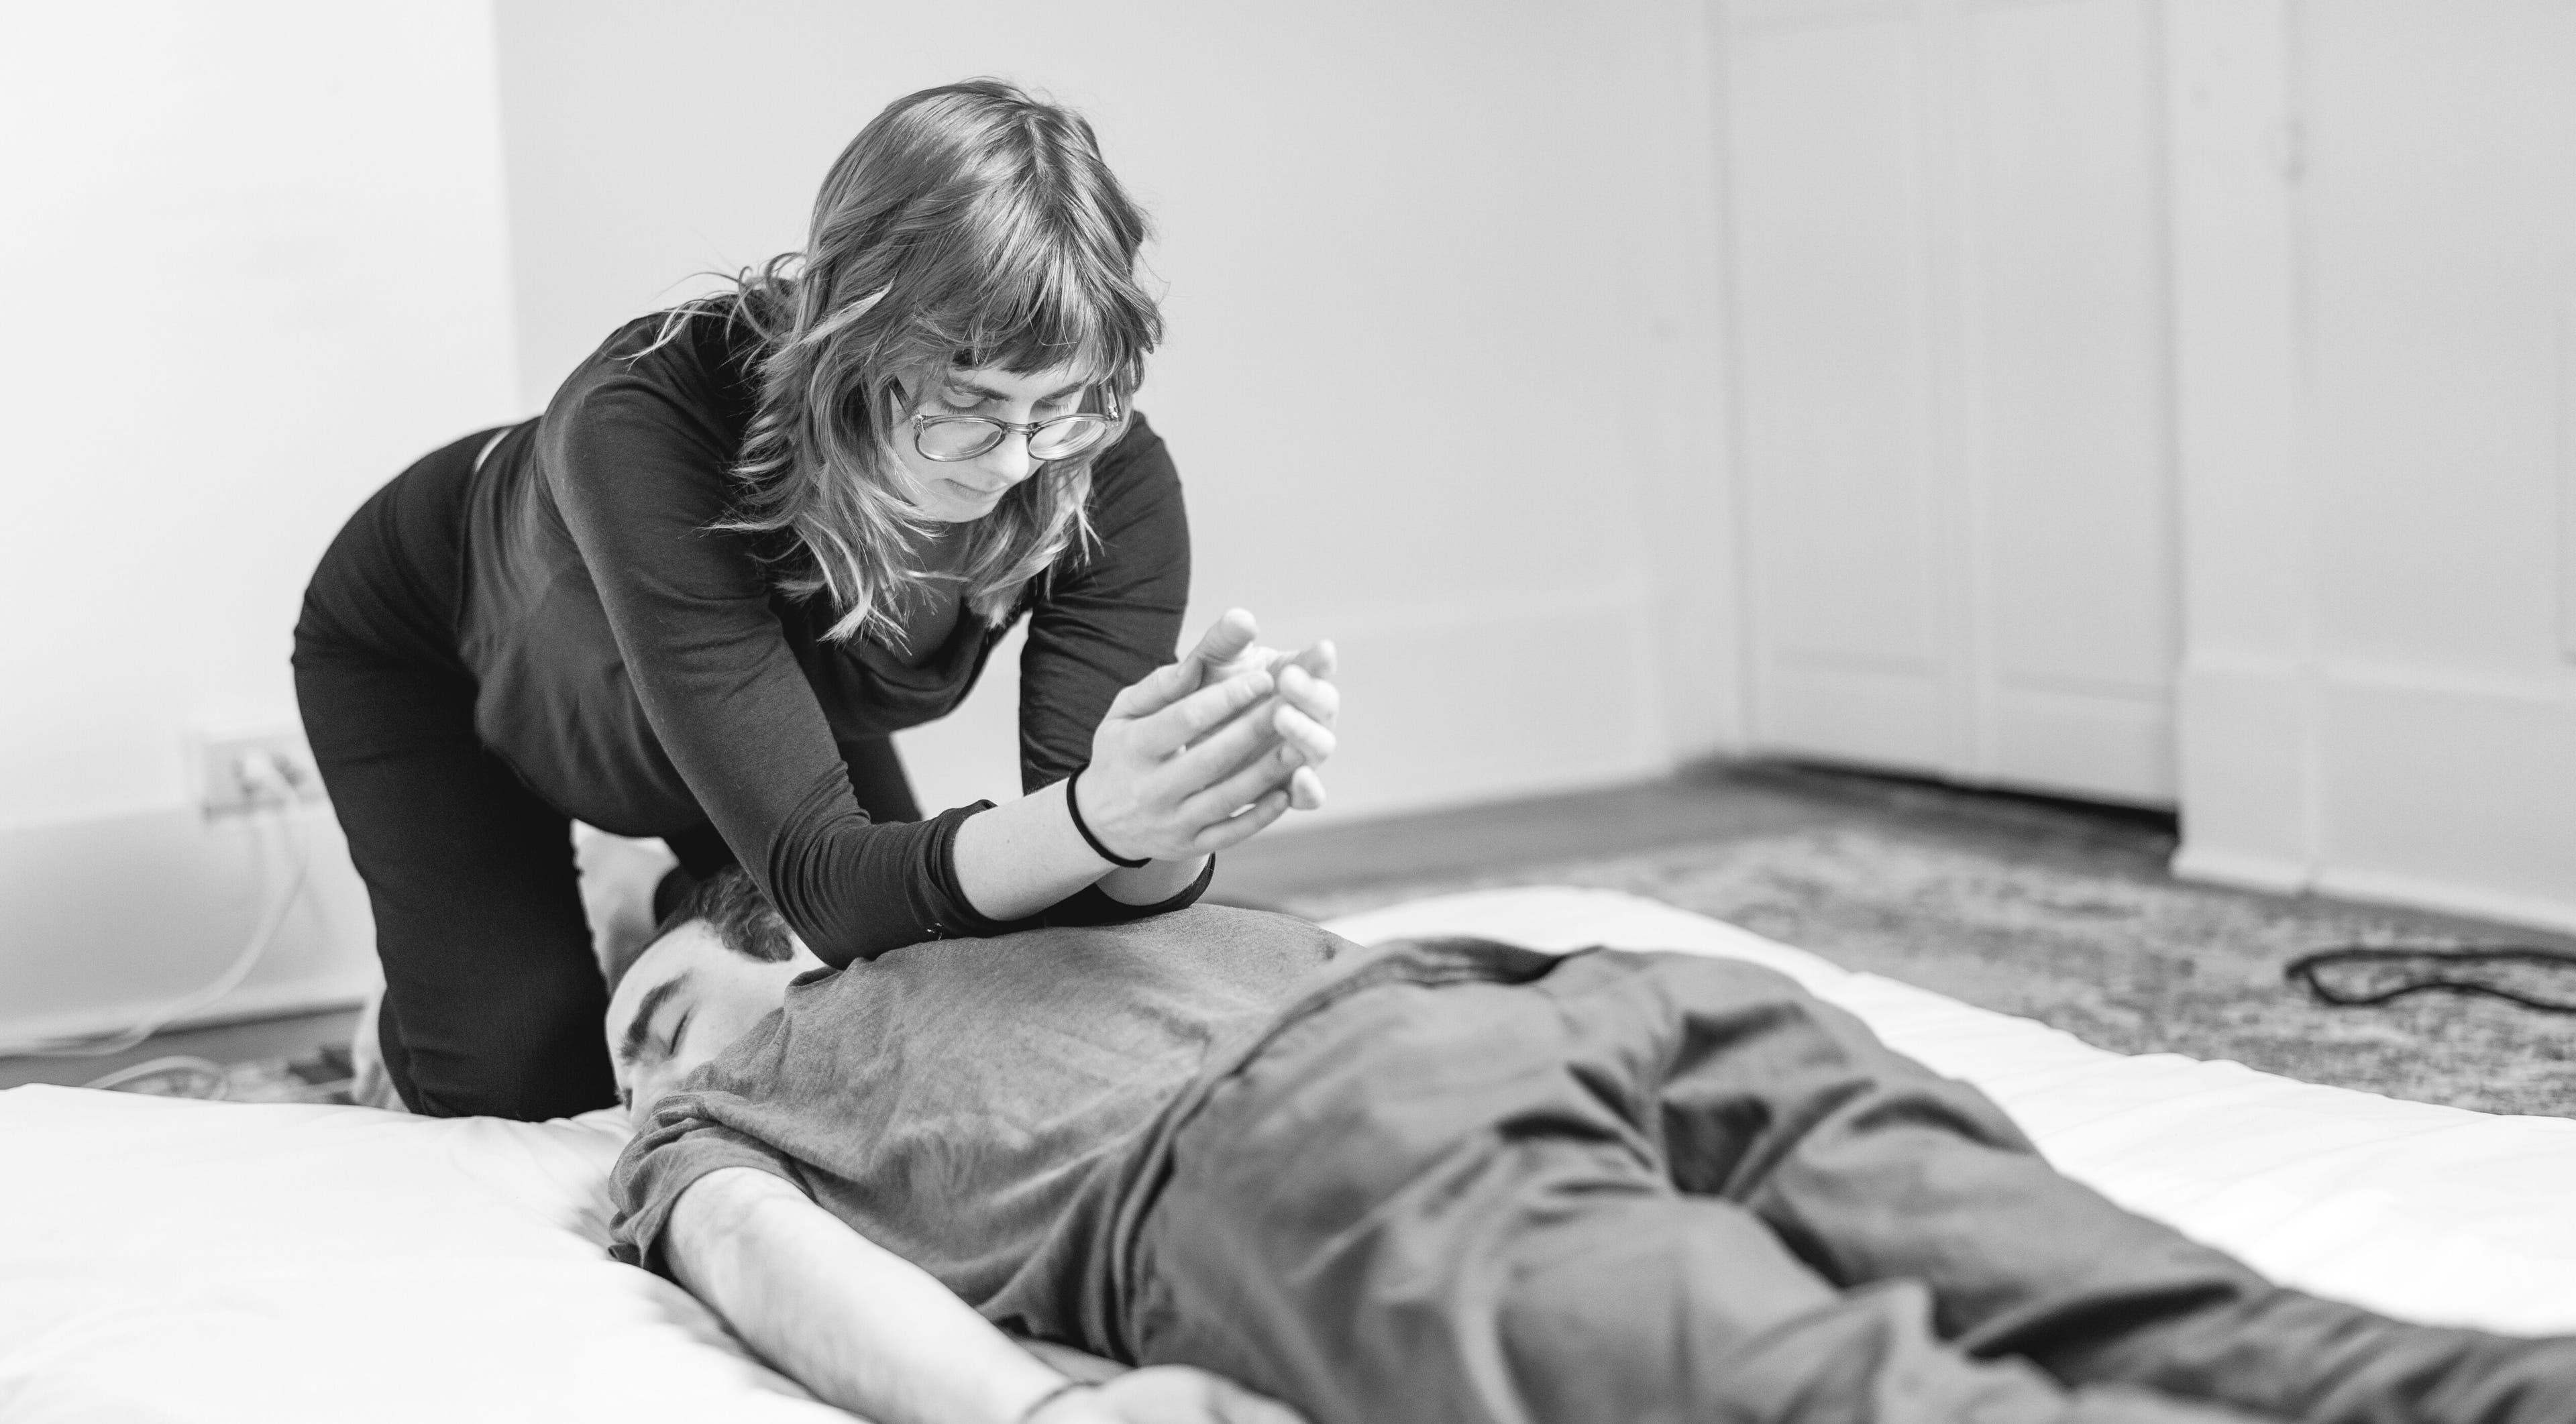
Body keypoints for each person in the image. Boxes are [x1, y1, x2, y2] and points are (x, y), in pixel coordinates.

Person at [291, 77, 1338, 1120]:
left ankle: (657, 902)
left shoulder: (1104, 470)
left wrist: (1178, 807)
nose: (1014, 461)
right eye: (969, 407)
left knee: (906, 982)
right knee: (525, 1084)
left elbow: (1083, 876)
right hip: (441, 652)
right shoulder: (639, 424)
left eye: (1059, 406)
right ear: (855, 335)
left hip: (751, 680)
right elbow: (830, 882)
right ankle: (454, 987)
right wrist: (1095, 817)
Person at [604, 871, 2576, 1424]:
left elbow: (760, 1248)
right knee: (2028, 1345)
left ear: (766, 926)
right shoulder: (714, 1127)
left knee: (2054, 1327)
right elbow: (760, 1254)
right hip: (1511, 1052)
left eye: (653, 1015)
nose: (638, 1084)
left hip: (1367, 1101)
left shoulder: (956, 917)